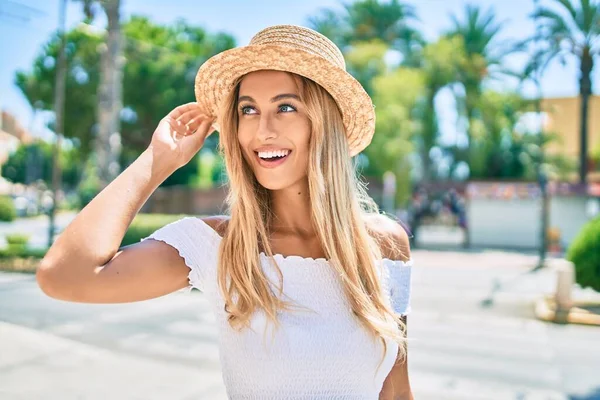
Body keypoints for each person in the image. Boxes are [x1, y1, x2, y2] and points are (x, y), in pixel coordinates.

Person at [37, 25, 414, 400]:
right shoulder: (218, 246)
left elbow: (396, 392)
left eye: (286, 107)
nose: (262, 130)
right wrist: (156, 161)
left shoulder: (384, 243)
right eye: (248, 110)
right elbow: (64, 275)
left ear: (325, 122)